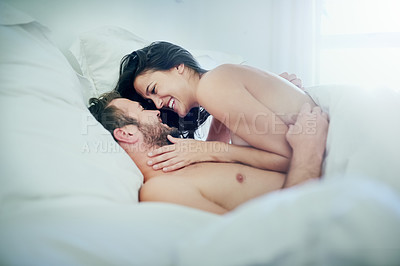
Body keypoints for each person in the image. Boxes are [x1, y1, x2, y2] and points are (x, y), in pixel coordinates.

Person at [88, 91, 329, 215]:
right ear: (127, 134)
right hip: (323, 209)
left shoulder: (188, 160)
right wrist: (309, 153)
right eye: (142, 109)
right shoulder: (160, 188)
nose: (156, 112)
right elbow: (262, 240)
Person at [115, 41, 318, 173]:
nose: (158, 104)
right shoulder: (215, 95)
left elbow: (292, 157)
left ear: (178, 66)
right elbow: (213, 160)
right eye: (150, 102)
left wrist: (209, 150)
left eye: (154, 89)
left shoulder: (212, 87)